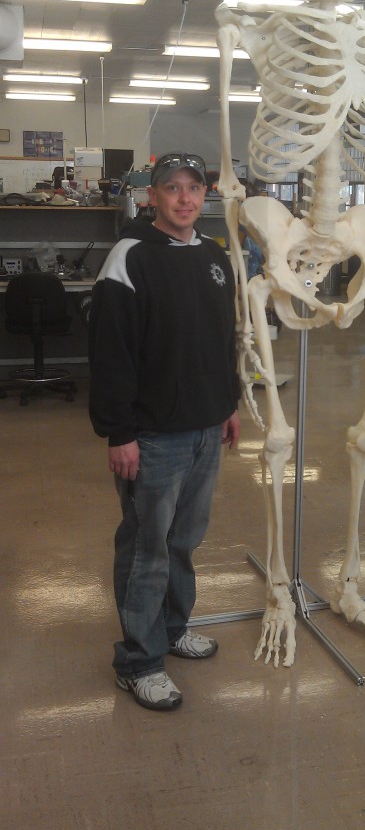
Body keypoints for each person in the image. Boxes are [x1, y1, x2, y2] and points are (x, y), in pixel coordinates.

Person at [89, 151, 241, 712]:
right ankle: (139, 661)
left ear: (205, 195)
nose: (184, 199)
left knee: (183, 541)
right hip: (153, 437)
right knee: (146, 547)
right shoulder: (129, 258)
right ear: (151, 195)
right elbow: (110, 355)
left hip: (205, 427)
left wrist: (227, 404)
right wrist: (119, 432)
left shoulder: (214, 256)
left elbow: (221, 339)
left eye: (194, 188)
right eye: (171, 188)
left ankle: (172, 628)